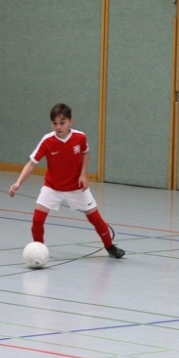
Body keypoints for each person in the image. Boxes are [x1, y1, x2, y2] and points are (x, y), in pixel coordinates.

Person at [9, 103, 124, 259]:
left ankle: (110, 247)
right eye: (54, 123)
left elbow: (85, 153)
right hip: (52, 187)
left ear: (71, 121)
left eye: (62, 123)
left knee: (96, 219)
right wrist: (18, 183)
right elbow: (31, 164)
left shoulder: (80, 137)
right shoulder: (47, 141)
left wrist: (83, 174)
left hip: (76, 187)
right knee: (37, 220)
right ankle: (39, 250)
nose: (58, 127)